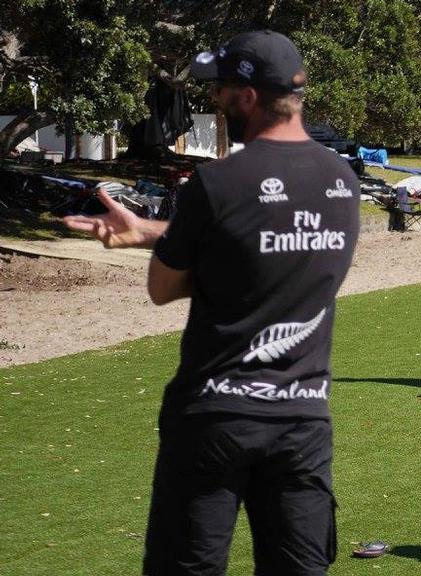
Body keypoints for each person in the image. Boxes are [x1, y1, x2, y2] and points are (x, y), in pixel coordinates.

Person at [63, 30, 360, 576]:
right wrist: (154, 231)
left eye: (221, 87)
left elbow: (163, 289)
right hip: (302, 421)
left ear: (248, 98)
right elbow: (271, 256)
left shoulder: (216, 183)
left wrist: (170, 245)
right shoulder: (341, 180)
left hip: (214, 418)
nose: (213, 98)